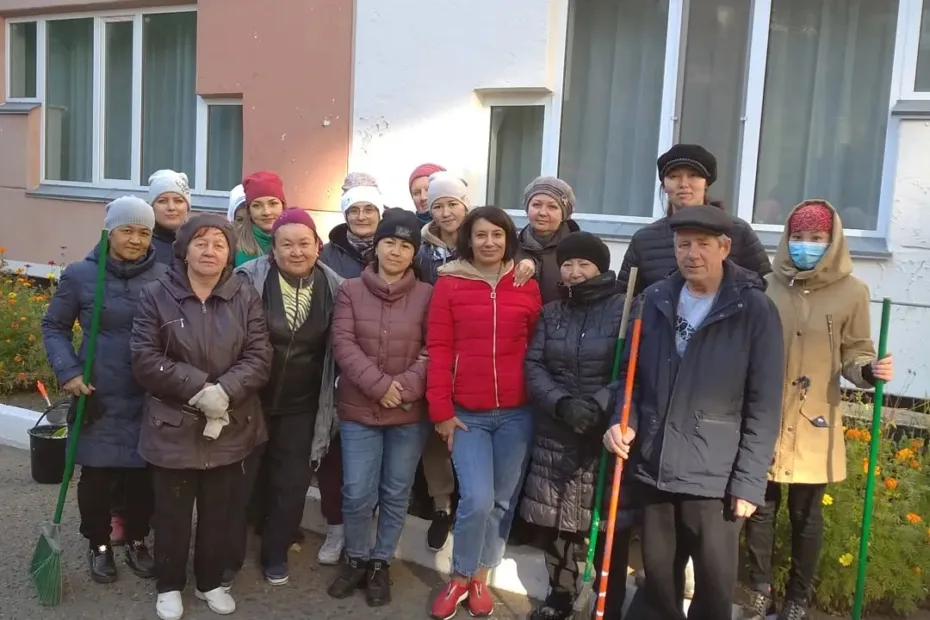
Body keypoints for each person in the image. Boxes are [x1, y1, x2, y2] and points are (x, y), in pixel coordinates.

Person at [603, 205, 784, 620]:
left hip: (715, 478)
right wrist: (621, 422)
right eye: (683, 244)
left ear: (725, 248)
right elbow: (632, 380)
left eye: (703, 244)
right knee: (659, 587)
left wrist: (749, 482)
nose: (692, 254)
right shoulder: (654, 299)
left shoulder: (754, 309)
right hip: (655, 466)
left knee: (713, 591)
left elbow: (765, 403)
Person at [743, 201, 894, 620]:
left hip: (814, 420)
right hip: (766, 415)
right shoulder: (766, 286)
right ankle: (759, 589)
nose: (805, 245)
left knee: (806, 515)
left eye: (815, 238)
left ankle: (797, 599)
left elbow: (856, 352)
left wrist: (868, 370)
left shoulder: (852, 292)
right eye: (798, 237)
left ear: (832, 241)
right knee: (758, 507)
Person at [131, 213, 272, 620]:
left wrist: (223, 391)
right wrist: (198, 388)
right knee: (172, 515)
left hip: (231, 425)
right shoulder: (156, 294)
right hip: (173, 425)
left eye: (219, 244)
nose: (210, 251)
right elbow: (144, 358)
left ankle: (209, 581)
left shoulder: (244, 295)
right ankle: (169, 585)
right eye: (201, 242)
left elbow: (260, 355)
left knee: (220, 514)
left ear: (229, 253)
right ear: (184, 250)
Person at [41, 197, 165, 584]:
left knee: (142, 474)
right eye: (127, 230)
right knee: (96, 474)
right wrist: (69, 371)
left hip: (147, 391)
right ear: (109, 232)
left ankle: (138, 538)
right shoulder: (81, 275)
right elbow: (54, 326)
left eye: (144, 232)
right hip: (97, 391)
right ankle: (98, 543)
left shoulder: (164, 277)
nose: (136, 240)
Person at [427, 206, 542, 620]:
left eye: (497, 234)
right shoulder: (449, 283)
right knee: (476, 499)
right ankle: (459, 576)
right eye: (481, 235)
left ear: (508, 239)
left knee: (502, 502)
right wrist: (441, 410)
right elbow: (438, 348)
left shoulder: (526, 283)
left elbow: (537, 346)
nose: (489, 242)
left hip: (517, 413)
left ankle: (480, 575)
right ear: (468, 240)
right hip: (467, 414)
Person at [522, 232, 632, 620]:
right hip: (558, 428)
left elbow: (631, 371)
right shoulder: (552, 312)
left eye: (584, 263)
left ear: (600, 267)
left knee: (603, 520)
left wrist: (599, 404)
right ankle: (560, 594)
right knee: (558, 520)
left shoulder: (624, 309)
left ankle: (605, 598)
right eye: (567, 264)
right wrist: (562, 404)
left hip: (603, 432)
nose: (574, 271)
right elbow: (534, 365)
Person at [326, 210, 433, 607]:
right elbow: (343, 343)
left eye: (405, 245)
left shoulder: (427, 295)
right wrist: (379, 386)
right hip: (360, 410)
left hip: (408, 413)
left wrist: (401, 388)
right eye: (390, 242)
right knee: (357, 491)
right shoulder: (350, 290)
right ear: (377, 245)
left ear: (414, 253)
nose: (396, 251)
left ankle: (380, 562)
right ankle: (355, 557)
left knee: (395, 491)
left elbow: (434, 348)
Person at [234, 208, 342, 586]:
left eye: (304, 243)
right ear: (273, 250)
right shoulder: (247, 279)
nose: (296, 252)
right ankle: (228, 554)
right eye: (287, 244)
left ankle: (275, 552)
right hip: (251, 399)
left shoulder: (336, 287)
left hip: (303, 403)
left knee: (292, 483)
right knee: (241, 480)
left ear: (318, 246)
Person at [616, 144, 771, 297]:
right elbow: (625, 299)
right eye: (674, 176)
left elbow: (766, 288)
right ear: (664, 185)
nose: (684, 184)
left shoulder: (737, 231)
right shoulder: (644, 240)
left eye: (693, 175)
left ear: (706, 184)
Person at [413, 171, 468, 552]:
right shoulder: (422, 252)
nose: (446, 213)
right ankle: (441, 504)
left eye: (453, 204)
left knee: (470, 429)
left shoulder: (482, 239)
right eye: (438, 206)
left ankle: (469, 502)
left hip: (474, 347)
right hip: (434, 345)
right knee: (437, 427)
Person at [516, 176, 582, 304]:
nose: (542, 213)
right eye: (536, 205)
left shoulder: (580, 250)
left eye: (552, 207)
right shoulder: (511, 248)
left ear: (564, 214)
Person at [320, 183, 384, 279]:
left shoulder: (392, 251)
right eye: (354, 211)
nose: (361, 217)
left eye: (368, 210)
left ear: (379, 214)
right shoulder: (326, 255)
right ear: (346, 216)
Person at [234, 170, 286, 267]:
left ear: (283, 206)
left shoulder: (296, 238)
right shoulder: (234, 240)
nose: (266, 212)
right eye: (257, 206)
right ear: (249, 211)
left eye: (273, 204)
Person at [148, 170, 192, 264]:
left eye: (178, 201)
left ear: (187, 207)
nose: (171, 207)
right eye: (162, 201)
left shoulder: (198, 243)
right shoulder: (142, 246)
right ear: (152, 207)